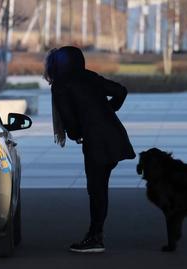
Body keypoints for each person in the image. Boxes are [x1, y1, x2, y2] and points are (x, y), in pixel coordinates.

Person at [44, 46, 136, 253]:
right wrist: (107, 111)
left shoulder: (60, 85)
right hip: (114, 136)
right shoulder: (89, 77)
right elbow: (121, 91)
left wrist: (79, 133)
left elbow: (69, 120)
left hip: (96, 142)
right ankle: (95, 235)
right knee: (99, 188)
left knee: (96, 190)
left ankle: (95, 238)